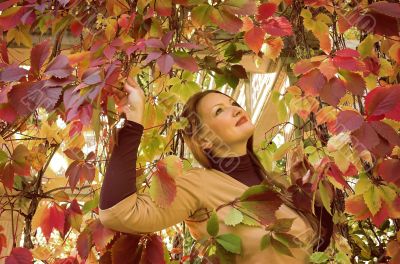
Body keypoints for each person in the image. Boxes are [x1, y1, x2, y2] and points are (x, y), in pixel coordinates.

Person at [99, 77, 332, 263]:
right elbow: (116, 212)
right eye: (219, 111)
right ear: (204, 140)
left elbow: (317, 245)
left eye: (234, 104)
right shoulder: (200, 185)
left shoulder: (276, 181)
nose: (237, 110)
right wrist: (132, 123)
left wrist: (310, 194)